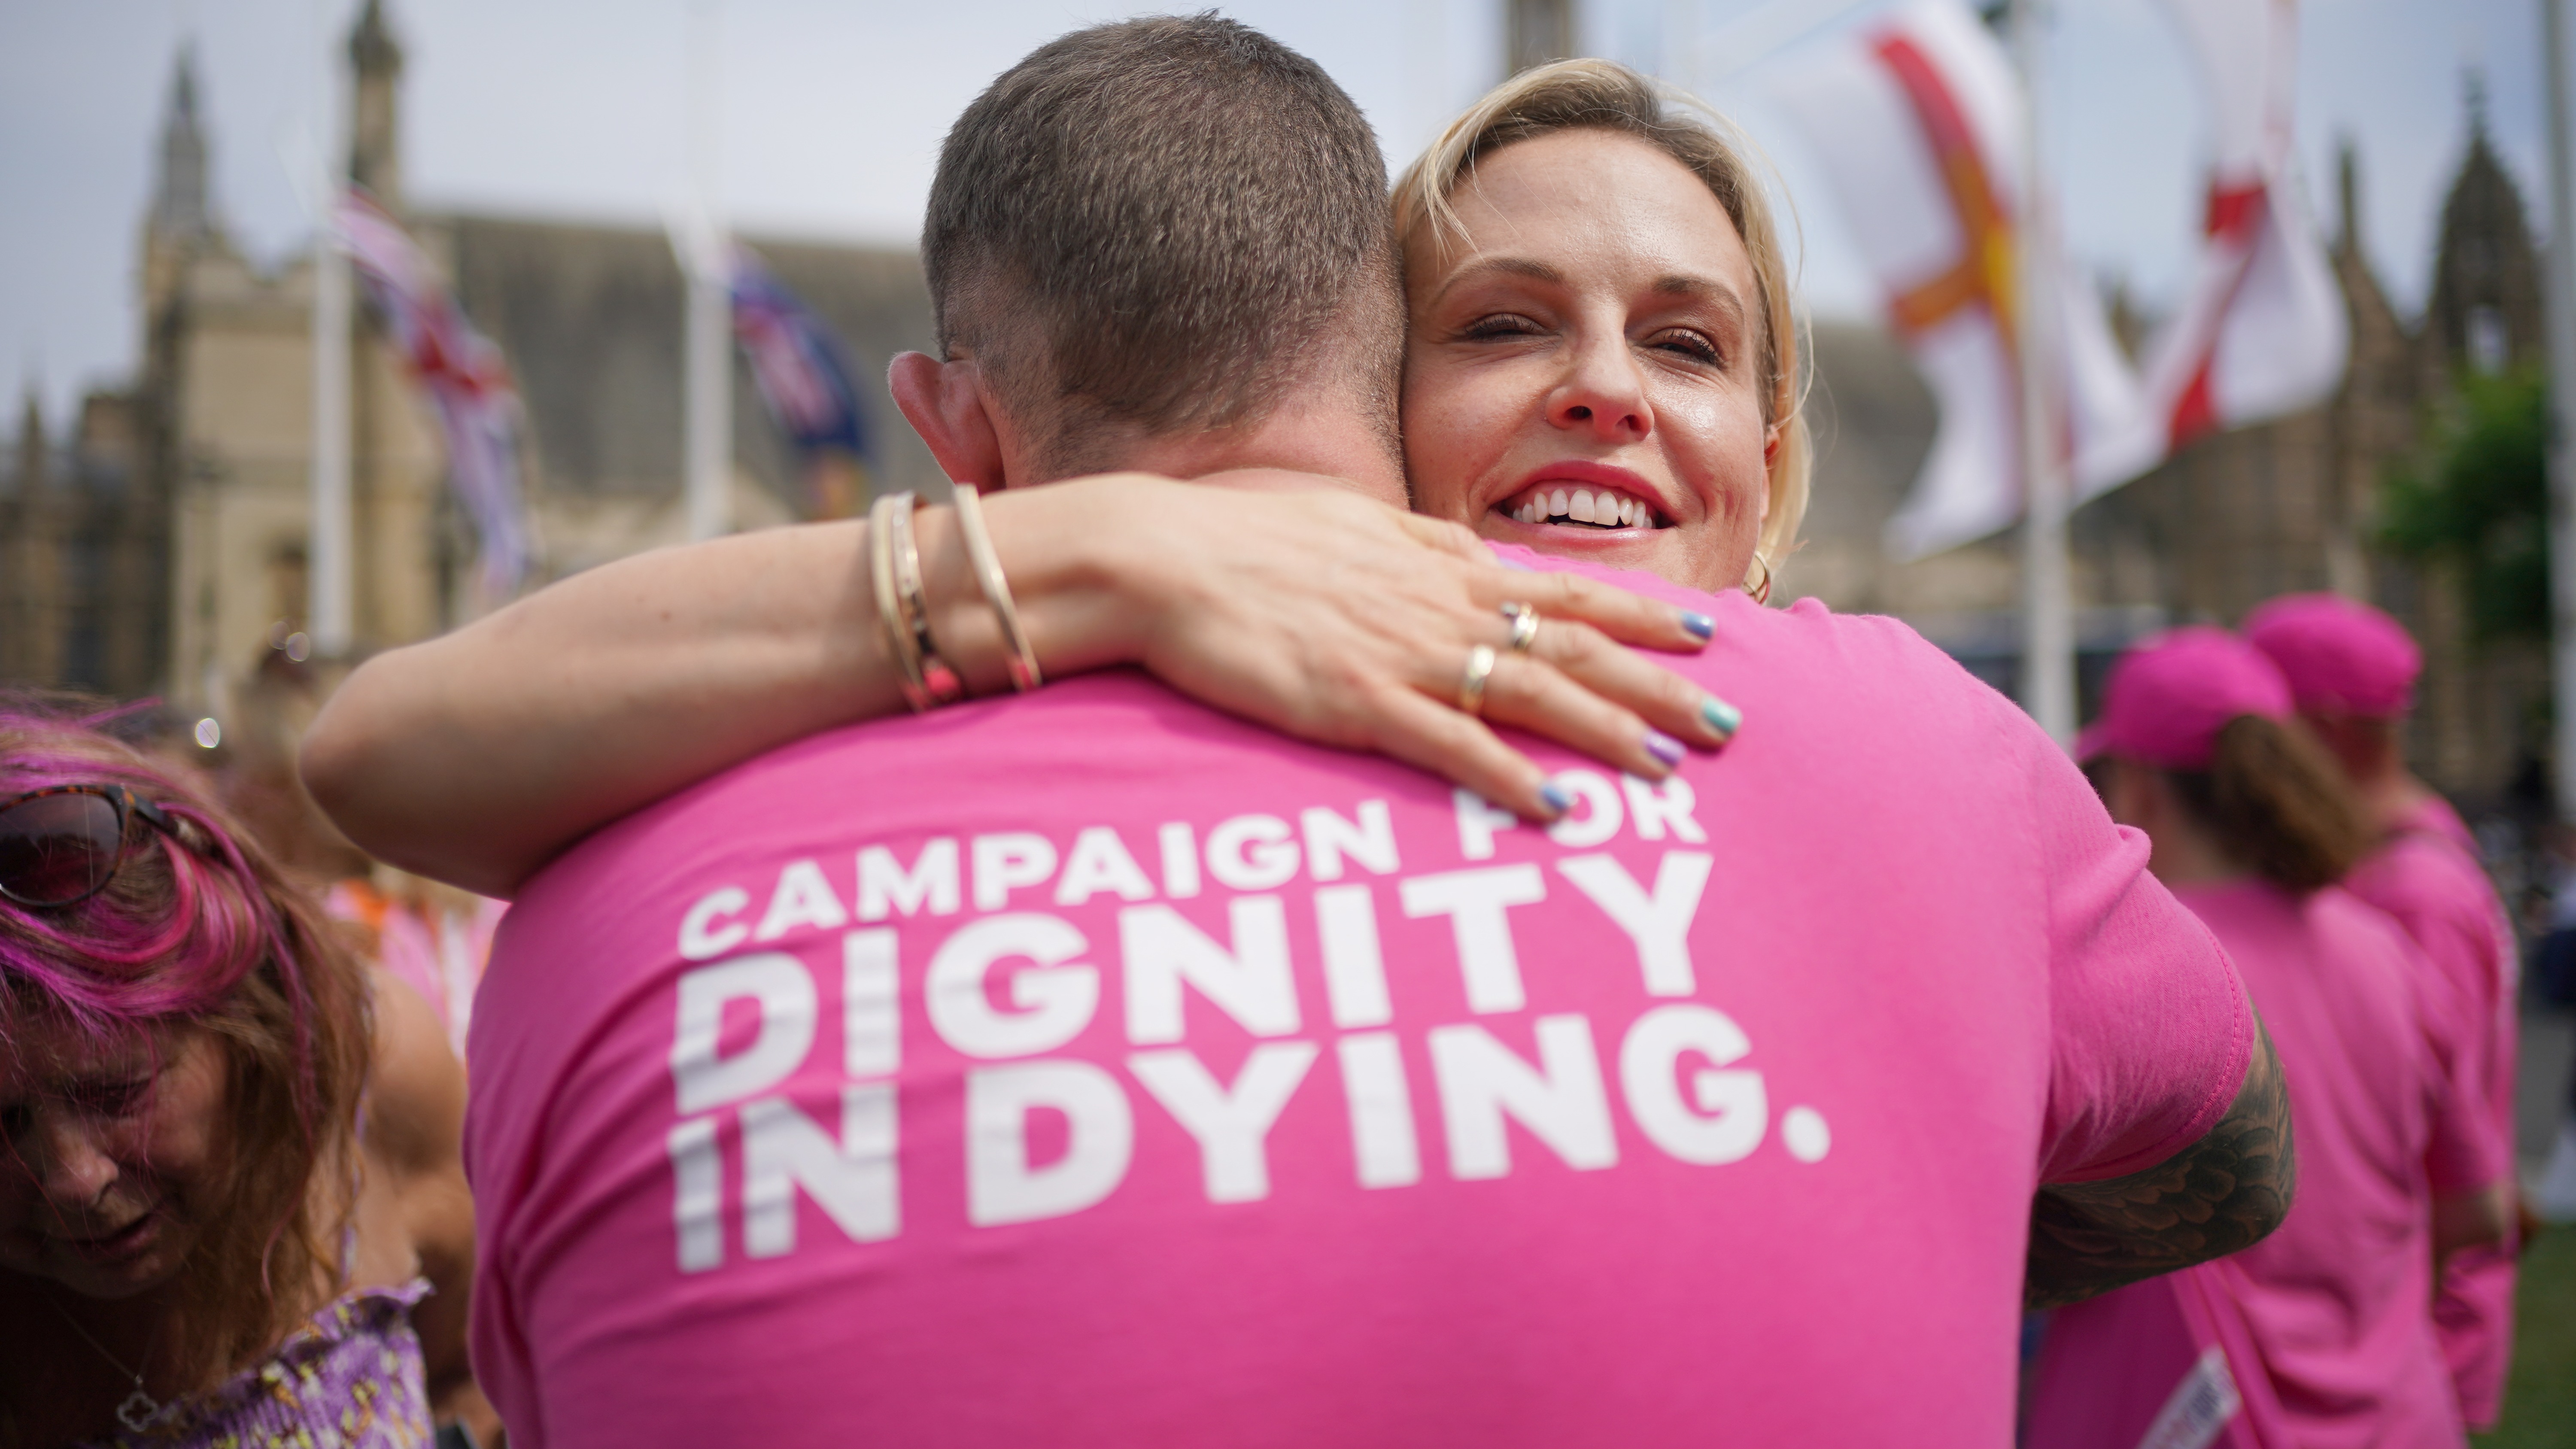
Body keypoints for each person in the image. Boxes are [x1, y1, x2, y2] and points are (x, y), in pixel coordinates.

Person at [435, 24, 2287, 1447]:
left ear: (1774, 457)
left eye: (1690, 345)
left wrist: (1918, 1192)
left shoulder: (1923, 752)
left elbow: (2231, 1148)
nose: (1603, 387)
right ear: (1365, 390)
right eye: (1503, 324)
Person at [2024, 629, 2506, 1449]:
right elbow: (2478, 1209)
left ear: (2139, 787)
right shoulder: (2385, 947)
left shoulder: (2116, 972)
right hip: (2400, 1420)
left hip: (2187, 1418)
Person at [0, 707, 488, 1446]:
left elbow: (474, 1376)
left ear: (238, 1017)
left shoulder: (377, 1083)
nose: (75, 1179)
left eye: (115, 1094)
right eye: (3, 1125)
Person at [2243, 592, 2524, 1430]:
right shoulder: (2405, 851)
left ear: (2323, 728)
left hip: (2414, 1331)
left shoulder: (2412, 892)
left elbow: (2433, 1144)